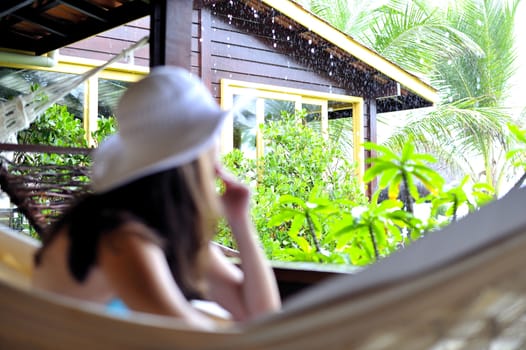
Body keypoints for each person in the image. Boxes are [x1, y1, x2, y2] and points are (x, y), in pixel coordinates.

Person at [31, 66, 281, 329]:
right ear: (195, 159)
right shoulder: (119, 236)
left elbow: (260, 318)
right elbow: (194, 339)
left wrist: (239, 219)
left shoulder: (158, 224)